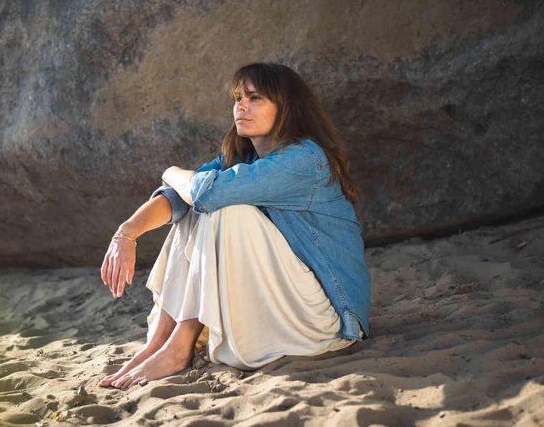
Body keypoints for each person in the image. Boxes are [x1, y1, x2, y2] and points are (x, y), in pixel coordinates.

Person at [98, 63, 370, 389]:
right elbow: (182, 198)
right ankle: (158, 343)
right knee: (199, 206)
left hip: (330, 322)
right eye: (238, 98)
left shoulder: (304, 159)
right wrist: (126, 233)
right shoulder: (243, 157)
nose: (240, 106)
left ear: (287, 107)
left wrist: (170, 171)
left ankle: (179, 347)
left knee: (224, 208)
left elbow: (206, 193)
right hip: (281, 304)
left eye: (254, 98)